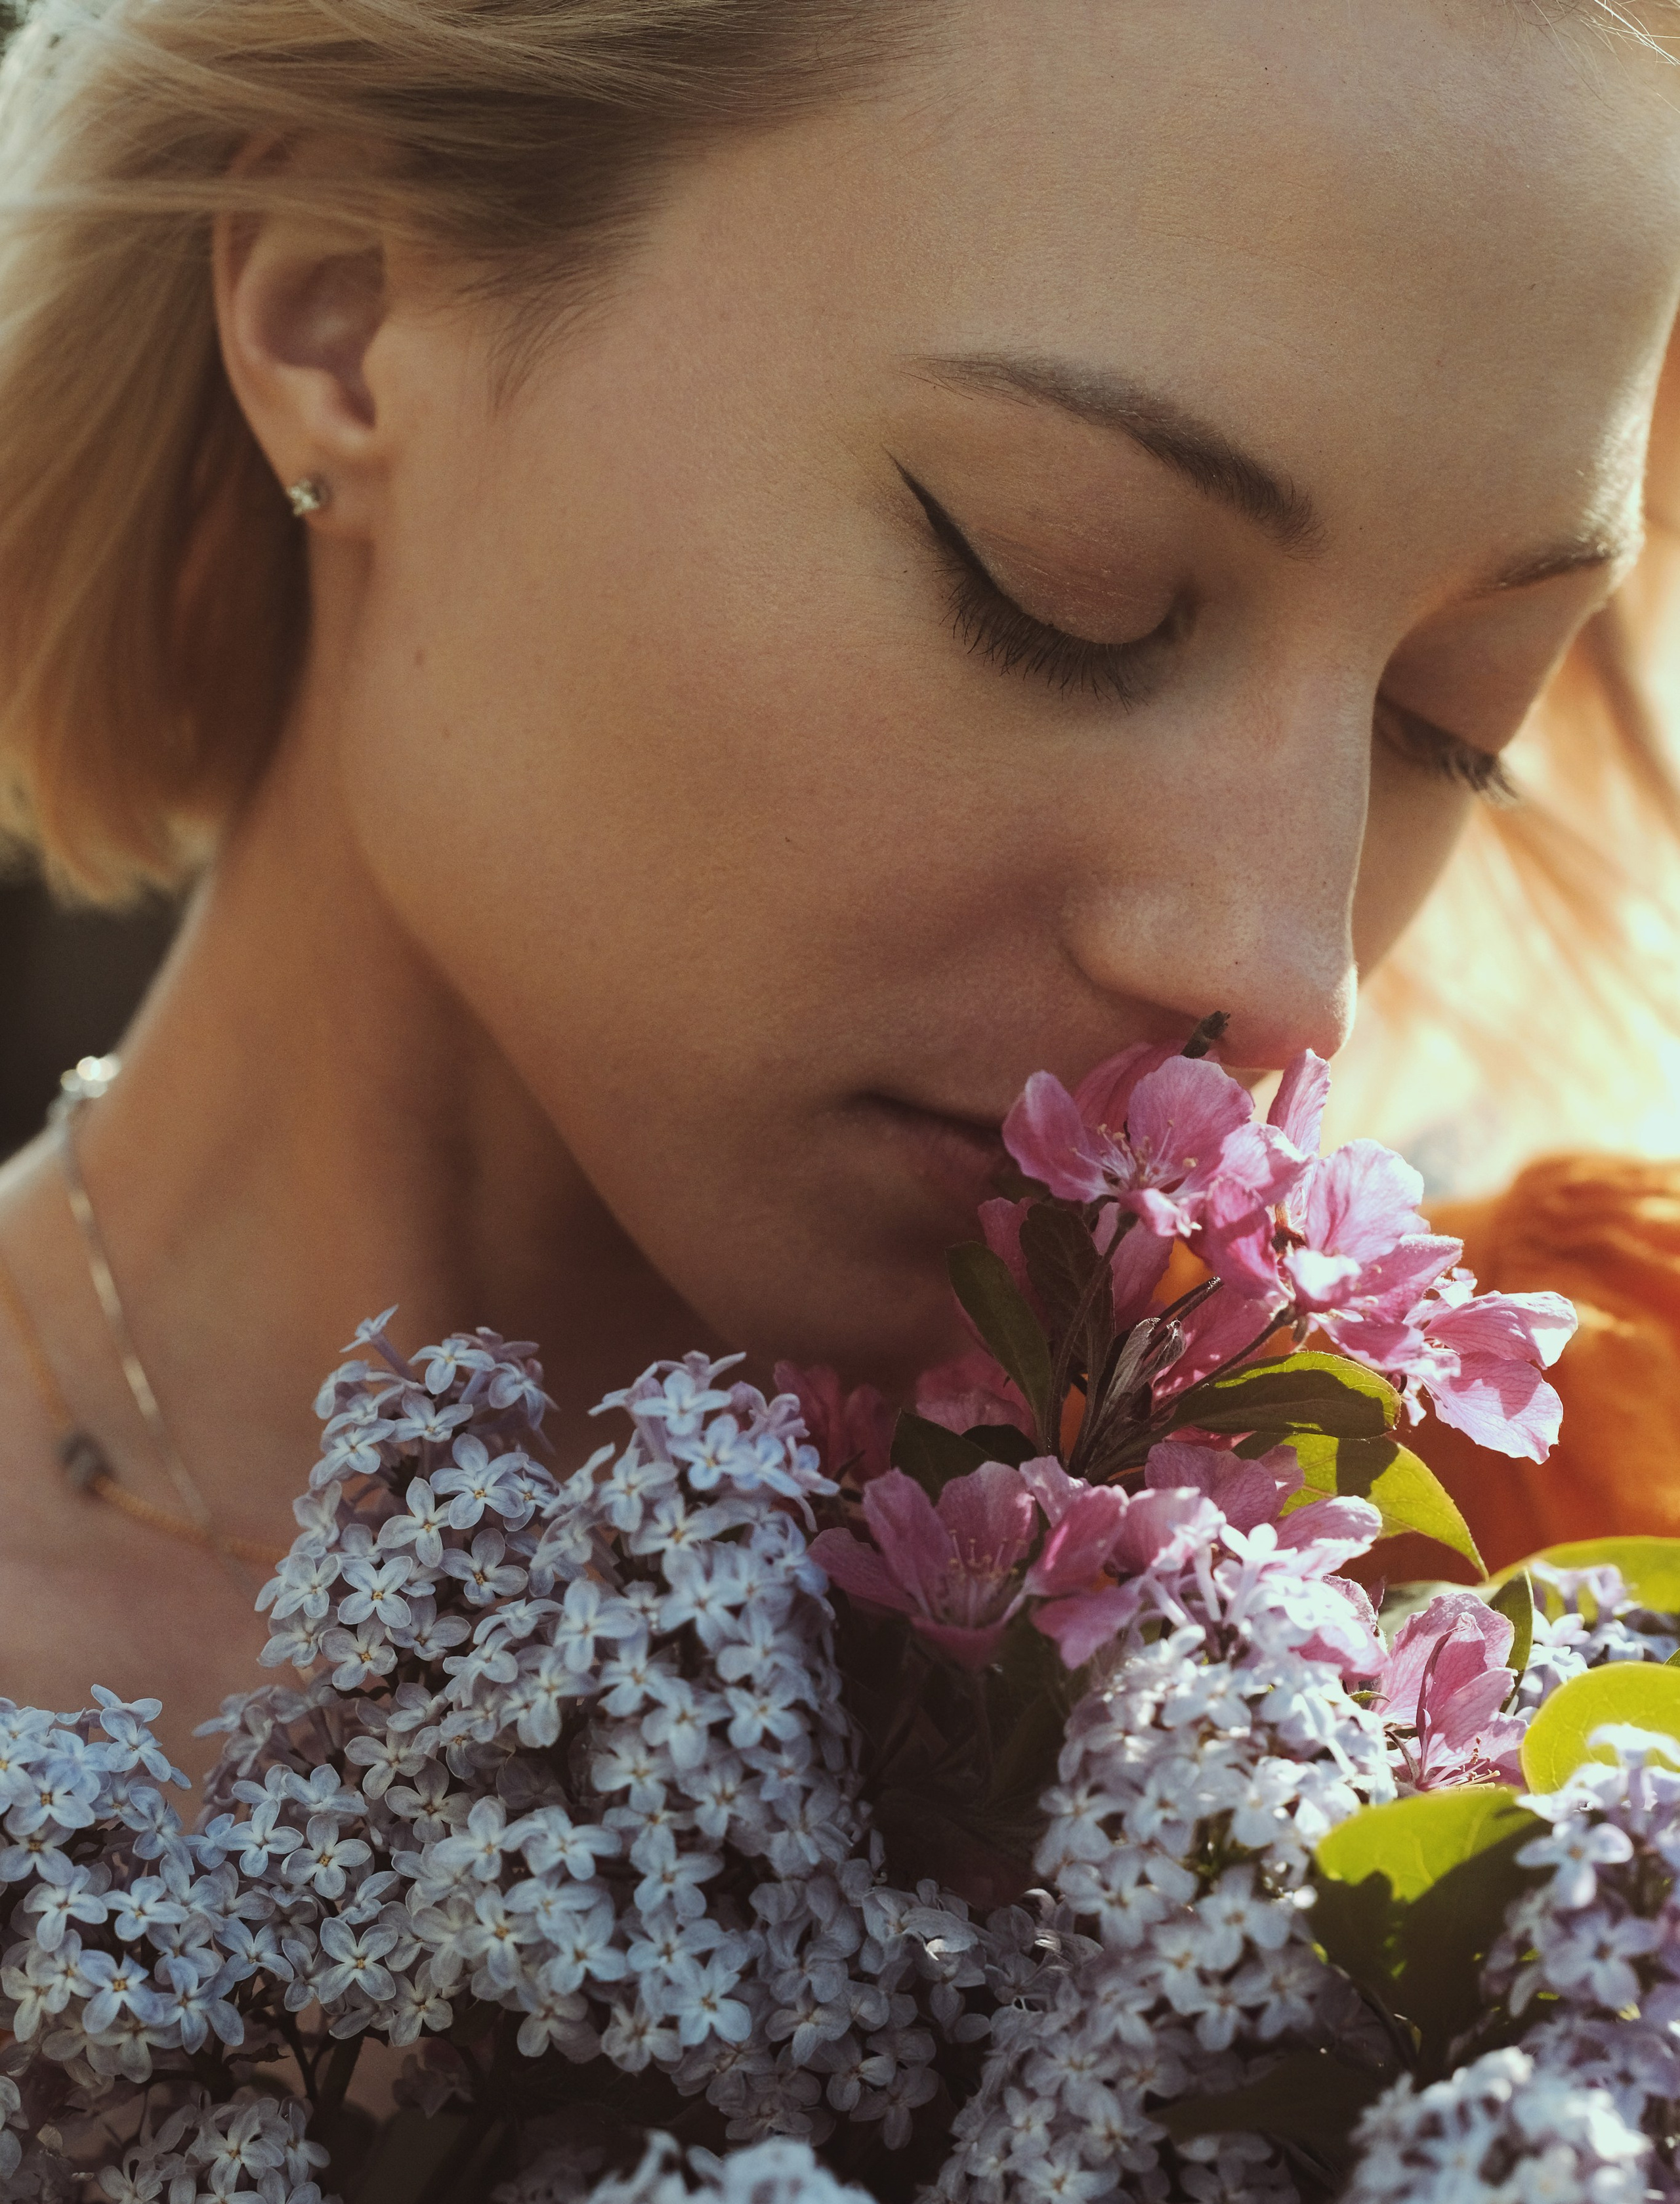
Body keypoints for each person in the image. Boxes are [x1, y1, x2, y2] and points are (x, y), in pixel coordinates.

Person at [0, 0, 1677, 1777]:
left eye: (1447, 723)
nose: (1280, 969)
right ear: (341, 303)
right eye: (1059, 585)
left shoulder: (1560, 1562)